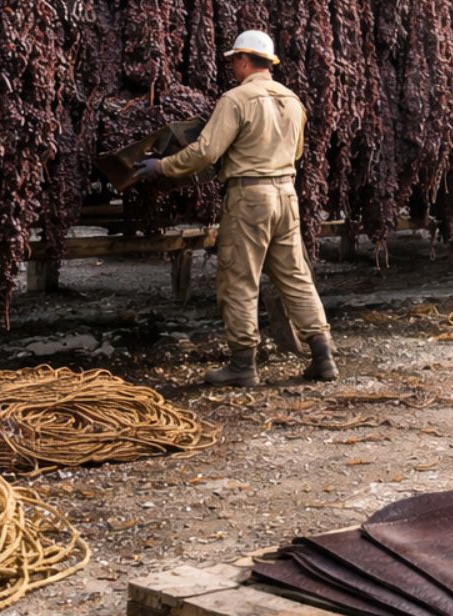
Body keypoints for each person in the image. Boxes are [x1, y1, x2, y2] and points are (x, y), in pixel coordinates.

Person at [131, 31, 336, 386]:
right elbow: (298, 152)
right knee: (296, 276)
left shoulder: (237, 99)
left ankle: (243, 365)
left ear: (244, 59)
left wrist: (161, 168)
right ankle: (323, 356)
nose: (231, 67)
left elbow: (206, 152)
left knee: (239, 279)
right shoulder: (292, 100)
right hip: (286, 195)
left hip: (250, 198)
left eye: (233, 61)